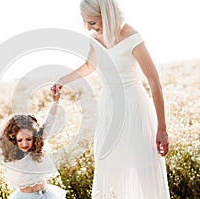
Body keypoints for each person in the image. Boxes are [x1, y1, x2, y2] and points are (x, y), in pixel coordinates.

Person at [51, 0, 170, 198]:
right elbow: (89, 66)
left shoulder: (132, 37)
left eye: (92, 22)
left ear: (106, 14)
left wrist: (162, 128)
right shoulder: (95, 39)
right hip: (108, 107)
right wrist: (63, 80)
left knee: (141, 164)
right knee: (110, 165)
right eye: (86, 23)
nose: (89, 27)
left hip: (134, 106)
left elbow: (154, 81)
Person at [0, 89, 66, 199]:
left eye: (28, 139)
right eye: (20, 140)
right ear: (13, 139)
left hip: (46, 194)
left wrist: (55, 102)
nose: (25, 143)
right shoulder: (10, 153)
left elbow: (50, 121)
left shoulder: (37, 146)